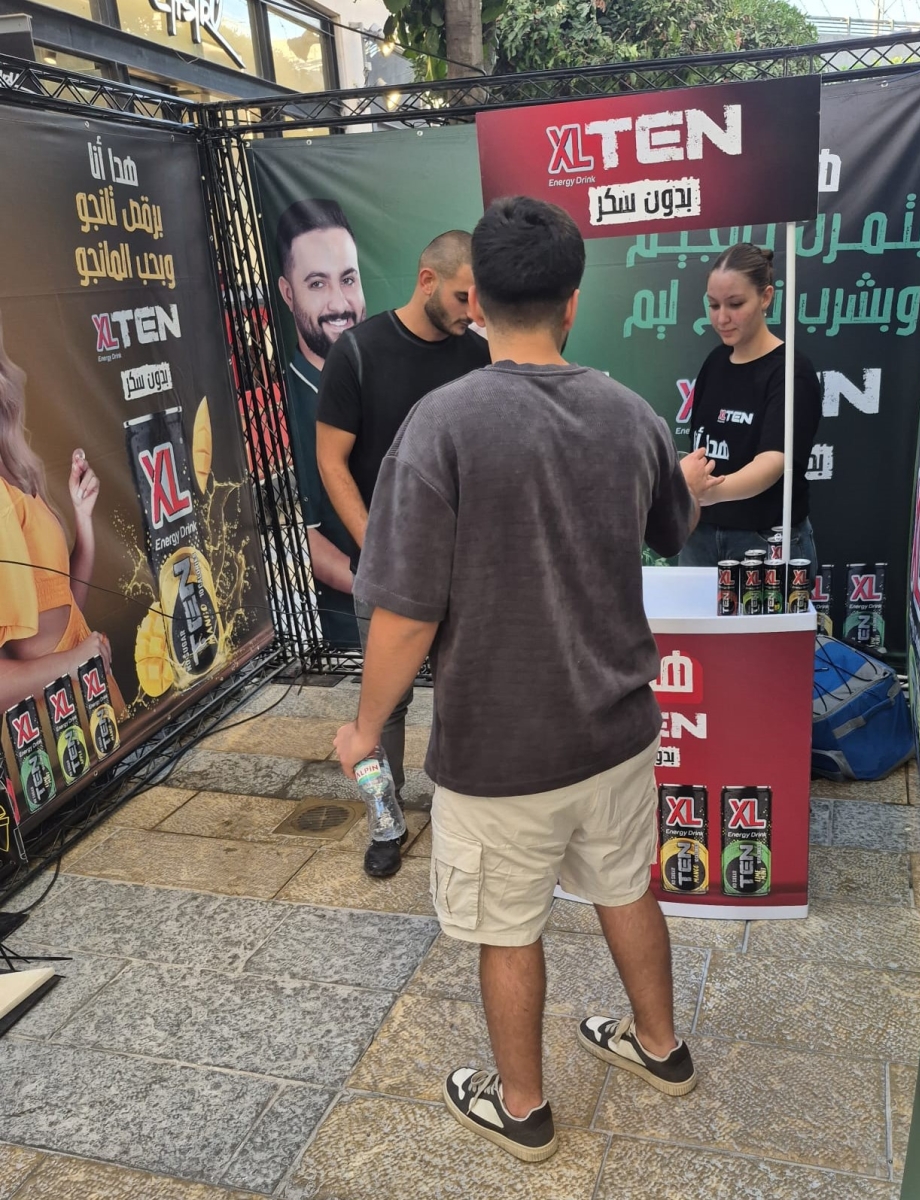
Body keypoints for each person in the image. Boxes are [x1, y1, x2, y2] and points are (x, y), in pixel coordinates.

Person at [333, 196, 721, 1163]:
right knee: (625, 886)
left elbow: (406, 612)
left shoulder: (440, 424)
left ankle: (523, 1110)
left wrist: (364, 727)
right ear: (572, 302)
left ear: (479, 301)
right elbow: (673, 527)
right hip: (616, 728)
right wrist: (688, 481)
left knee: (507, 928)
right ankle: (662, 1049)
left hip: (498, 748)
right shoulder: (630, 414)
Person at [317, 230, 490, 879]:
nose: (473, 310)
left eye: (479, 299)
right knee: (383, 705)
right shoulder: (358, 352)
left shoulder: (480, 354)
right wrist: (378, 545)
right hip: (386, 566)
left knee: (463, 695)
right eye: (463, 296)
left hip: (465, 568)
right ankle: (384, 821)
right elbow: (331, 462)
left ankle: (462, 817)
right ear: (426, 280)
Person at [0, 312, 122, 716]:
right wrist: (74, 662)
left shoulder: (14, 470)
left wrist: (83, 519)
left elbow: (66, 607)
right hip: (49, 727)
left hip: (92, 701)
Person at [678, 243, 822, 569]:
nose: (722, 318)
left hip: (765, 542)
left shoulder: (791, 372)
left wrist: (711, 492)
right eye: (713, 305)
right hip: (699, 534)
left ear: (766, 297)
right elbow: (700, 447)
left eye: (735, 304)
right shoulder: (715, 362)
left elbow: (773, 462)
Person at [275, 198, 366, 648]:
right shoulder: (279, 407)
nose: (339, 303)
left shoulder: (385, 374)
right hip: (353, 637)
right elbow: (298, 538)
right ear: (288, 293)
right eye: (317, 283)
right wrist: (391, 591)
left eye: (348, 279)